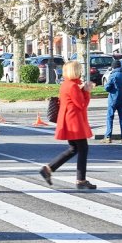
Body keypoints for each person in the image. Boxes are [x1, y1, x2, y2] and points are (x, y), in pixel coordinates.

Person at [39, 60, 97, 190]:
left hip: (69, 120)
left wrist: (82, 89)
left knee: (74, 149)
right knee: (83, 149)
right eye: (79, 70)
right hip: (74, 121)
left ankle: (49, 168)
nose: (81, 72)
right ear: (75, 71)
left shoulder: (67, 84)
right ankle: (80, 180)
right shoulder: (72, 86)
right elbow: (81, 104)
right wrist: (87, 91)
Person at [102, 60, 122, 143]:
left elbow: (107, 88)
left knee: (110, 117)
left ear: (113, 67)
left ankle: (108, 137)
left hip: (113, 99)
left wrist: (107, 87)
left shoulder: (113, 76)